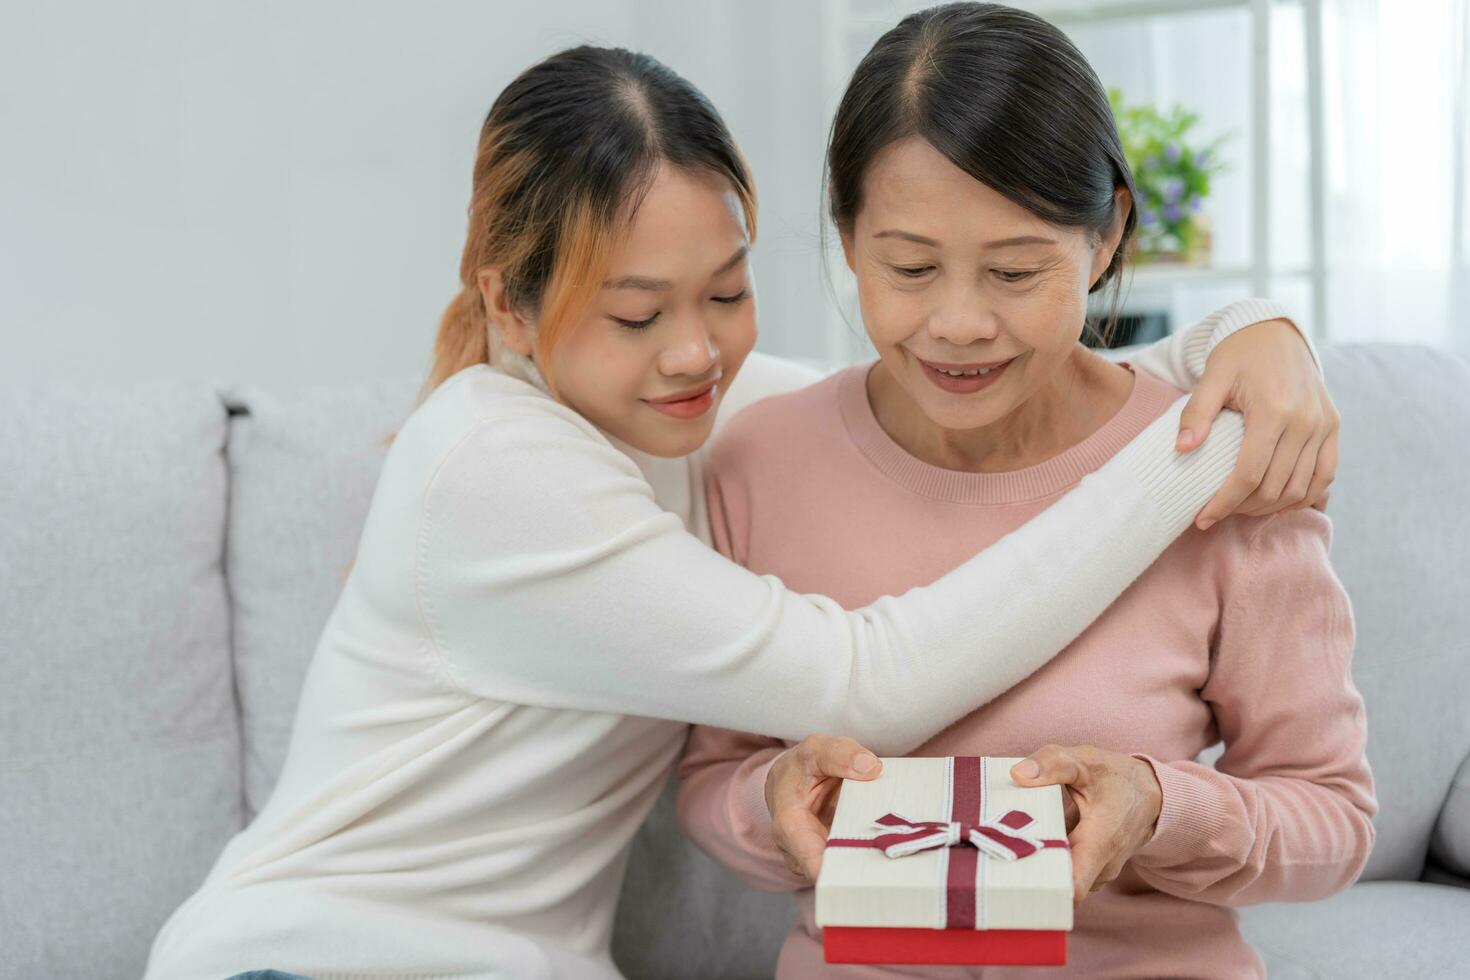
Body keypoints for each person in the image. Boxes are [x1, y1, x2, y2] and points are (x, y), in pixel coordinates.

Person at [144, 42, 1338, 980]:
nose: (694, 352)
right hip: (311, 959)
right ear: (510, 306)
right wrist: (1207, 454)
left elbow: (969, 365)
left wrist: (1255, 341)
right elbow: (868, 681)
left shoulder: (695, 411)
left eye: (727, 289)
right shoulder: (495, 467)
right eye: (636, 312)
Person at [676, 6, 1375, 978]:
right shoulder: (760, 466)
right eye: (909, 266)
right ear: (846, 235)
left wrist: (1160, 806)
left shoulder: (1218, 462)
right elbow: (712, 775)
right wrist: (774, 798)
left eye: (1015, 270)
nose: (959, 322)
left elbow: (1333, 819)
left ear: (1105, 236)